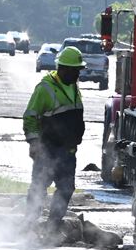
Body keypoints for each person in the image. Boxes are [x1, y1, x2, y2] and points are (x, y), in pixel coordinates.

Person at [23, 45, 89, 223]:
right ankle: (28, 224)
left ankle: (53, 227)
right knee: (39, 188)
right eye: (75, 70)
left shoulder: (73, 88)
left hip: (67, 152)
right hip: (47, 150)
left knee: (66, 189)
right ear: (63, 69)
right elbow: (30, 117)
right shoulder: (45, 89)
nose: (78, 74)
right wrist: (34, 143)